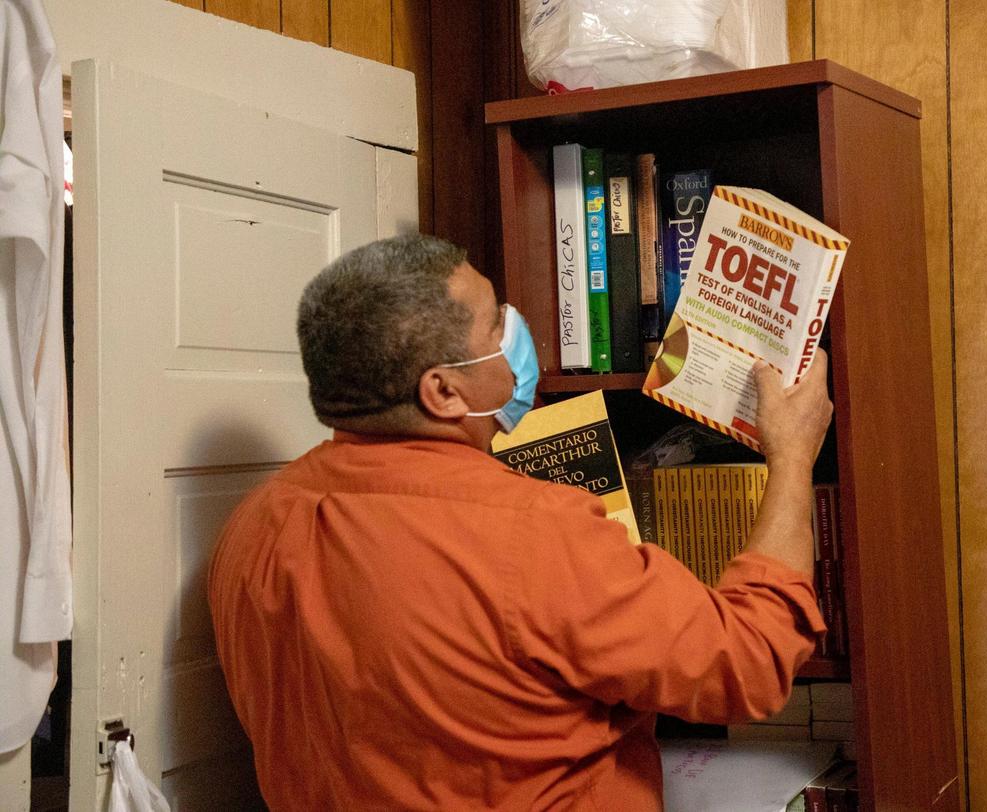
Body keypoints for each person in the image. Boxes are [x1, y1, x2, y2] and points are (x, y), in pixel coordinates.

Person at [209, 234, 833, 810]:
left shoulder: (254, 524)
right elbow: (747, 662)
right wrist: (792, 454)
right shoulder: (529, 533)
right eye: (495, 325)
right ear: (443, 393)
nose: (516, 330)